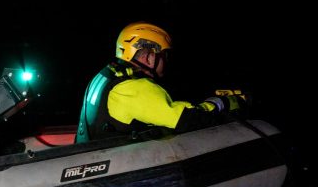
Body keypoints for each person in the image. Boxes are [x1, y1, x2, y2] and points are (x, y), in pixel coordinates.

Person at [75, 21, 247, 144]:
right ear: (149, 56)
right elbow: (188, 120)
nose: (166, 61)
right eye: (164, 56)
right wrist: (220, 103)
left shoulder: (106, 75)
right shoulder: (135, 88)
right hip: (116, 165)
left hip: (96, 151)